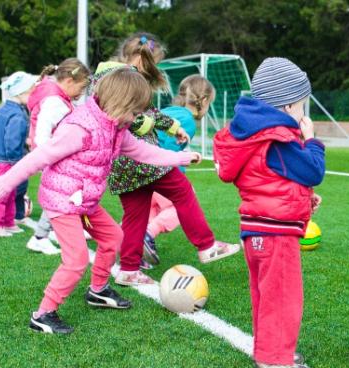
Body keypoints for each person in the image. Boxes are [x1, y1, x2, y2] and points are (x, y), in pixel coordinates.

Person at [0, 68, 201, 334]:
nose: (138, 119)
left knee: (114, 238)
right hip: (62, 201)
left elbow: (142, 151)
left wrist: (181, 157)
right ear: (120, 103)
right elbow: (39, 157)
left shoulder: (116, 127)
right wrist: (4, 184)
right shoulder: (79, 128)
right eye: (135, 112)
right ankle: (43, 314)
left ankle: (98, 290)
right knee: (76, 259)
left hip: (84, 201)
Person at [90, 32, 239, 287]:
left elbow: (147, 112)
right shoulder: (123, 78)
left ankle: (128, 269)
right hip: (140, 157)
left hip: (121, 164)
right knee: (182, 191)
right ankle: (207, 245)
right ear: (140, 59)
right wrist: (157, 130)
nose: (153, 69)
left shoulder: (106, 75)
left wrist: (173, 128)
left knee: (136, 215)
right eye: (152, 63)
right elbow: (132, 118)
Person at [213, 57, 325, 368]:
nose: (304, 113)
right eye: (303, 105)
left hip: (257, 229)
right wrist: (312, 140)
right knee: (283, 297)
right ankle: (275, 360)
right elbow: (313, 170)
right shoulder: (277, 139)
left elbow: (271, 180)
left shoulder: (254, 136)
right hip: (275, 234)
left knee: (266, 295)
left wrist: (303, 201)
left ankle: (270, 349)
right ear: (288, 105)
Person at [143, 74, 216, 266]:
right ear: (205, 101)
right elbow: (167, 148)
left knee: (148, 211)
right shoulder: (188, 121)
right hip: (159, 170)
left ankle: (132, 247)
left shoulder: (169, 111)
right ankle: (147, 235)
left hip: (142, 167)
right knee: (181, 205)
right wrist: (181, 159)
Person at [25, 58, 90, 255]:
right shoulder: (54, 101)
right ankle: (39, 237)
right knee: (61, 195)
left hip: (55, 156)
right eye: (81, 87)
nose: (82, 93)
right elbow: (43, 133)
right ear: (69, 81)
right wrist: (51, 157)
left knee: (71, 192)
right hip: (52, 157)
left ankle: (64, 229)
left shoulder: (59, 98)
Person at [0, 71, 38, 237]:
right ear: (21, 93)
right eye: (31, 92)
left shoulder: (2, 108)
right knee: (4, 192)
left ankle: (8, 222)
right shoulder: (18, 115)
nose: (33, 96)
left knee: (10, 191)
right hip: (7, 160)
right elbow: (12, 140)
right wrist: (17, 161)